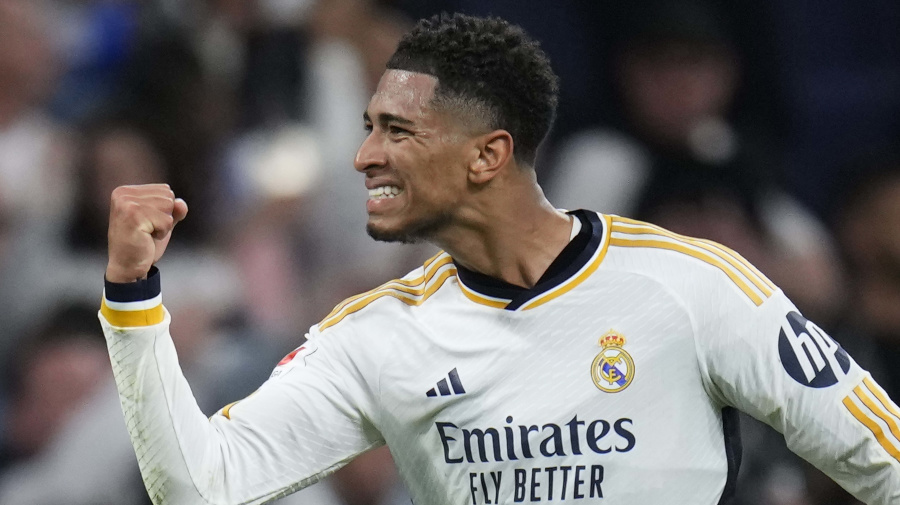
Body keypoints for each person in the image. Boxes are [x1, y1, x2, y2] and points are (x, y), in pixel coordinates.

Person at [99, 13, 900, 505]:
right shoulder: (375, 336)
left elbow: (883, 457)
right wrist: (134, 302)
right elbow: (202, 487)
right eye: (369, 125)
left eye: (396, 130)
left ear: (488, 155)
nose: (363, 155)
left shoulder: (693, 285)